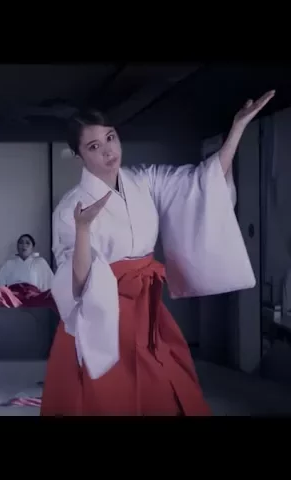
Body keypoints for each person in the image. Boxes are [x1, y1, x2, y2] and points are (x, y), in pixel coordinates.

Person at [40, 91, 274, 416]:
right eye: (93, 146)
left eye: (110, 137)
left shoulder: (144, 180)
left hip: (146, 306)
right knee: (108, 400)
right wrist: (82, 229)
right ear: (79, 156)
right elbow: (76, 286)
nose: (108, 150)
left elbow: (201, 183)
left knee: (165, 390)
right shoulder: (71, 208)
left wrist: (237, 129)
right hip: (102, 316)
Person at [0, 234, 55, 308]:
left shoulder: (40, 262)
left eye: (27, 243)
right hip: (13, 298)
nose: (24, 245)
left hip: (33, 298)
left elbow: (50, 283)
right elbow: (0, 284)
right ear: (17, 247)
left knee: (52, 295)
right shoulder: (9, 264)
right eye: (21, 243)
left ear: (32, 248)